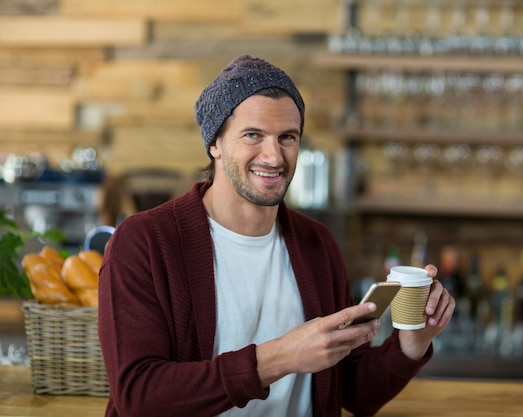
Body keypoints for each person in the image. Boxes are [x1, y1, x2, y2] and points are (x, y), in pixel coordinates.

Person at [98, 55, 455, 417]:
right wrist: (278, 358)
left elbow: (353, 391)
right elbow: (138, 396)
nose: (273, 156)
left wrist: (412, 342)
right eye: (253, 135)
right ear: (215, 143)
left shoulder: (317, 244)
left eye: (287, 137)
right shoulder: (143, 242)